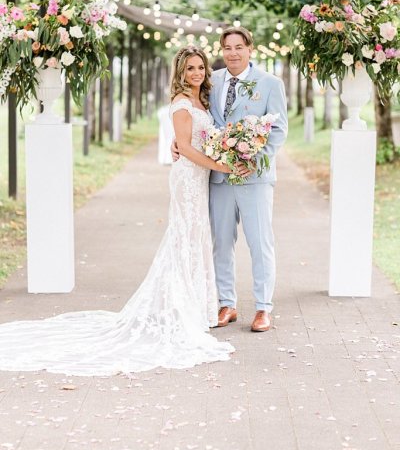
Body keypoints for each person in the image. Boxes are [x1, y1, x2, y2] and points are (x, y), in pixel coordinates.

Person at [0, 46, 236, 376]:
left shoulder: (202, 101)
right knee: (184, 237)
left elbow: (197, 139)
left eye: (200, 68)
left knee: (195, 237)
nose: (197, 73)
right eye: (190, 69)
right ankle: (185, 310)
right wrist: (218, 165)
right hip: (187, 179)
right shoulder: (182, 104)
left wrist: (216, 156)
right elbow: (184, 147)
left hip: (200, 178)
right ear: (180, 73)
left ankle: (196, 306)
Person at [173, 26, 288, 332]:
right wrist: (179, 143)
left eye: (239, 47)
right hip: (218, 179)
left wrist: (255, 161)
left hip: (254, 178)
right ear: (221, 51)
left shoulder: (270, 83)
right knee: (221, 243)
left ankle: (263, 308)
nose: (233, 53)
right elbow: (200, 122)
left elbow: (278, 131)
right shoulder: (213, 80)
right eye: (227, 48)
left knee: (260, 243)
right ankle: (226, 304)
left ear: (250, 49)